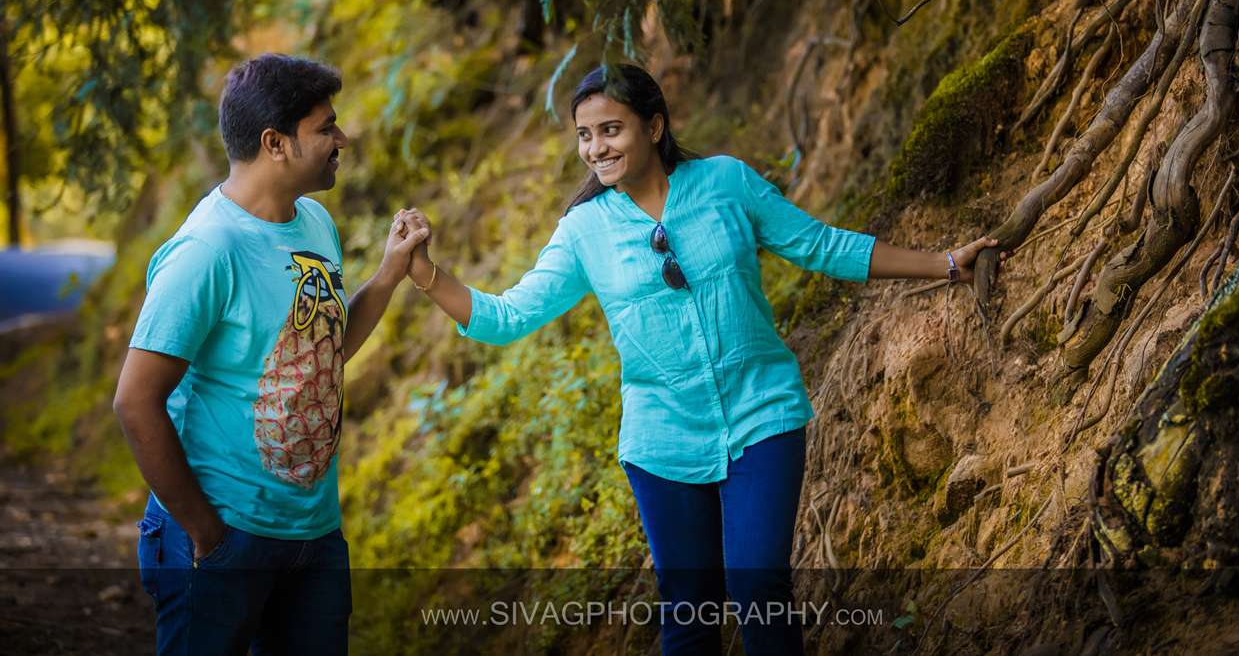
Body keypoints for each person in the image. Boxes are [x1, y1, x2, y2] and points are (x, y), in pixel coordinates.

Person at [395, 63, 1002, 655]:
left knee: (758, 583)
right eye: (584, 135)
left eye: (611, 130)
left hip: (762, 413)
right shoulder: (584, 231)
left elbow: (819, 246)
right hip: (662, 440)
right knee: (689, 609)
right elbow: (508, 317)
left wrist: (946, 264)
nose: (595, 148)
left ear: (654, 127)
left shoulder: (726, 184)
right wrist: (426, 273)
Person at [113, 54, 429, 656]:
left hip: (313, 536)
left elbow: (322, 355)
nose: (343, 138)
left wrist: (387, 275)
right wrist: (205, 532)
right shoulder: (207, 251)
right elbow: (135, 401)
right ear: (275, 143)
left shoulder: (313, 221)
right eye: (326, 127)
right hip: (224, 535)